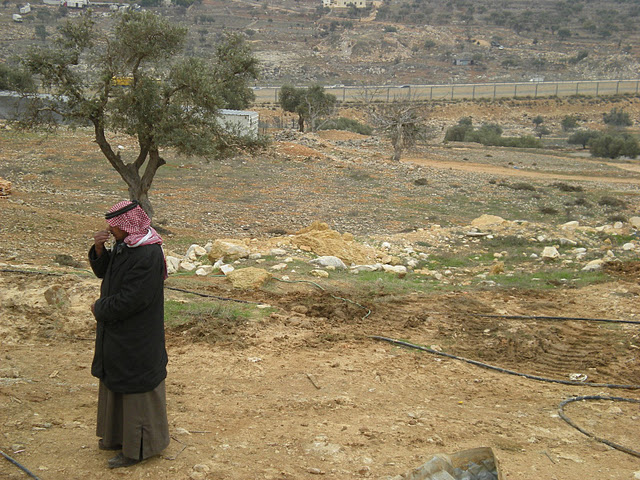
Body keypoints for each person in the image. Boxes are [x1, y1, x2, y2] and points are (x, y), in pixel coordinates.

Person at [89, 200, 170, 469]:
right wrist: (100, 249)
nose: (110, 228)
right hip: (119, 332)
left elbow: (133, 300)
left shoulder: (147, 254)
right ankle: (116, 437)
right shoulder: (127, 245)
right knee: (117, 379)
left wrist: (99, 308)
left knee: (135, 384)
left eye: (114, 225)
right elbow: (106, 273)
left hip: (138, 337)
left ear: (129, 224)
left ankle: (139, 448)